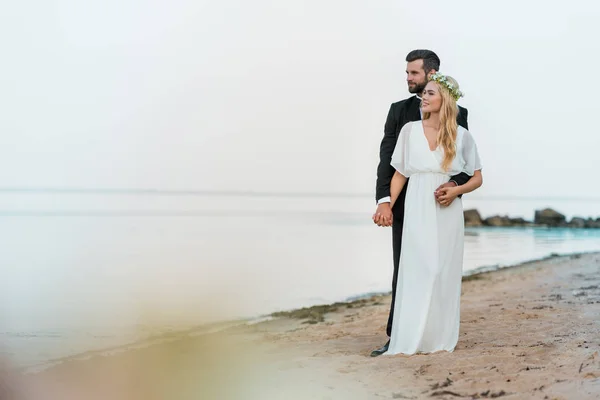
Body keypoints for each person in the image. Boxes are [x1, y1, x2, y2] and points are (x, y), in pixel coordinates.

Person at [371, 50, 471, 357]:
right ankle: (397, 334)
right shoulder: (398, 112)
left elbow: (464, 165)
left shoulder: (460, 115)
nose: (408, 78)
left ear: (431, 74)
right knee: (404, 269)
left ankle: (433, 332)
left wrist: (454, 187)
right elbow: (388, 160)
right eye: (407, 73)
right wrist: (385, 201)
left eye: (413, 73)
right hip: (405, 205)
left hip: (442, 206)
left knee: (438, 269)